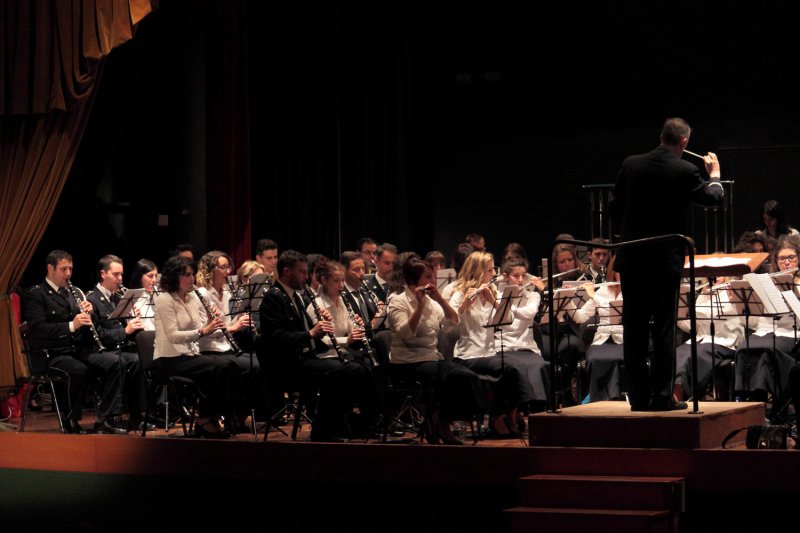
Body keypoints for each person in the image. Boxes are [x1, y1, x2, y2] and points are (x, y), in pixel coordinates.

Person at [609, 117, 724, 411]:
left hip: (632, 258)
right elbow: (712, 198)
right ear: (684, 143)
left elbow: (615, 206)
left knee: (633, 326)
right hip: (663, 262)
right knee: (663, 327)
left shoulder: (631, 163)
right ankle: (661, 397)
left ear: (661, 135)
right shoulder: (685, 169)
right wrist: (715, 174)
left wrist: (625, 235)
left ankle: (637, 397)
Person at [258, 250, 371, 441]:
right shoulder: (273, 297)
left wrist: (320, 325)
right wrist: (311, 333)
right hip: (286, 364)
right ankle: (323, 430)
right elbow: (275, 337)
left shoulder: (297, 296)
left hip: (304, 357)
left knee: (356, 370)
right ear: (287, 271)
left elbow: (308, 331)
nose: (306, 277)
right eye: (301, 272)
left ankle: (345, 424)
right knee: (337, 371)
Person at [21, 250, 126, 434]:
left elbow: (85, 325)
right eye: (64, 269)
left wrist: (90, 312)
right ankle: (71, 418)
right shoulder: (36, 295)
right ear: (50, 268)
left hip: (75, 350)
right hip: (50, 353)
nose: (69, 274)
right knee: (79, 370)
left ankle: (105, 418)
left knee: (115, 362)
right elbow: (38, 330)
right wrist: (72, 325)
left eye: (70, 269)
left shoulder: (74, 291)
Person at [387, 257, 486, 445]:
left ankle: (439, 421)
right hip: (407, 362)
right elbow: (406, 334)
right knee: (452, 378)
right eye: (428, 277)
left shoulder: (432, 302)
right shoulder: (397, 301)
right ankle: (439, 424)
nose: (432, 281)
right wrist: (420, 305)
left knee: (467, 375)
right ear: (414, 279)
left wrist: (439, 298)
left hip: (431, 358)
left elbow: (452, 320)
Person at [449, 251, 540, 435]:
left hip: (490, 352)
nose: (494, 274)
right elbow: (448, 322)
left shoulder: (495, 292)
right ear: (478, 271)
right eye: (490, 270)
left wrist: (492, 301)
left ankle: (504, 417)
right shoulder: (459, 293)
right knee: (511, 367)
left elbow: (507, 319)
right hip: (469, 354)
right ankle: (502, 418)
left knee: (514, 365)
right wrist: (465, 304)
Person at [153, 256, 238, 438]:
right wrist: (203, 331)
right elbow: (174, 336)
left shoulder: (192, 298)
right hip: (168, 358)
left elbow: (199, 326)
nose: (192, 279)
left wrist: (211, 320)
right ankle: (207, 419)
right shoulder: (165, 300)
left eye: (193, 274)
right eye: (186, 275)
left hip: (189, 354)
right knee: (219, 367)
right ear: (174, 277)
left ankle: (210, 417)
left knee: (229, 365)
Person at [86, 254, 147, 430]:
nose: (120, 279)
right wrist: (126, 330)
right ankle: (106, 418)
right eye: (116, 274)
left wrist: (132, 321)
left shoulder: (119, 297)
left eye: (121, 274)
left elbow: (122, 329)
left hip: (118, 348)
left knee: (139, 359)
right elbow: (99, 334)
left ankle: (137, 415)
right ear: (103, 274)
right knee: (120, 362)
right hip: (101, 350)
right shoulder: (92, 299)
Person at [195, 251, 254, 427]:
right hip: (208, 348)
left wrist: (241, 319)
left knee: (256, 364)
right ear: (210, 269)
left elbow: (227, 323)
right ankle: (230, 417)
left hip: (226, 346)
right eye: (223, 267)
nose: (228, 271)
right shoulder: (202, 294)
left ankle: (238, 416)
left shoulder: (227, 292)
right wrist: (233, 327)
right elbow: (205, 329)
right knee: (242, 367)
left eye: (228, 267)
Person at [129, 258, 159, 331]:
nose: (154, 280)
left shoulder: (159, 295)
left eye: (156, 275)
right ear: (139, 277)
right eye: (150, 276)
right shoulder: (131, 298)